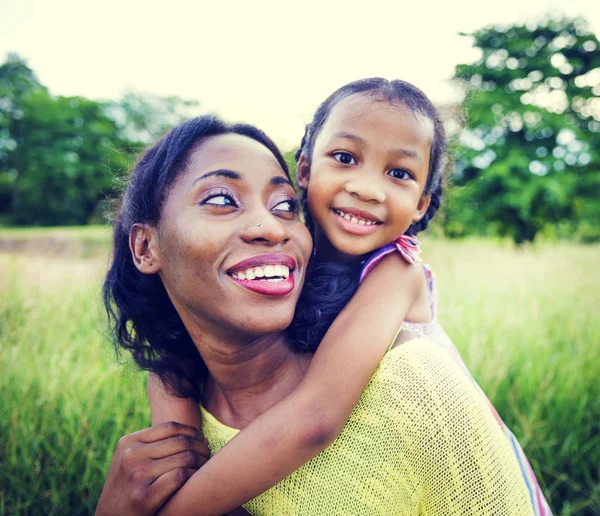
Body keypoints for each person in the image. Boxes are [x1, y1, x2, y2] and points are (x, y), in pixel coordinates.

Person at [98, 109, 547, 515]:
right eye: (222, 199)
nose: (271, 227)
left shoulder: (397, 279)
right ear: (308, 172)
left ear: (421, 204)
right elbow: (177, 459)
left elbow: (315, 416)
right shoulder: (181, 374)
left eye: (283, 206)